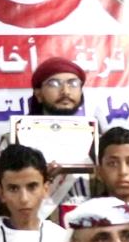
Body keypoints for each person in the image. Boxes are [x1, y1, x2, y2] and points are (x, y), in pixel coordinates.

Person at [26, 57, 93, 220]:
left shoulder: (95, 140)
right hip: (39, 229)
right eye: (54, 84)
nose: (65, 91)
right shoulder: (19, 139)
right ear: (38, 94)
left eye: (73, 84)